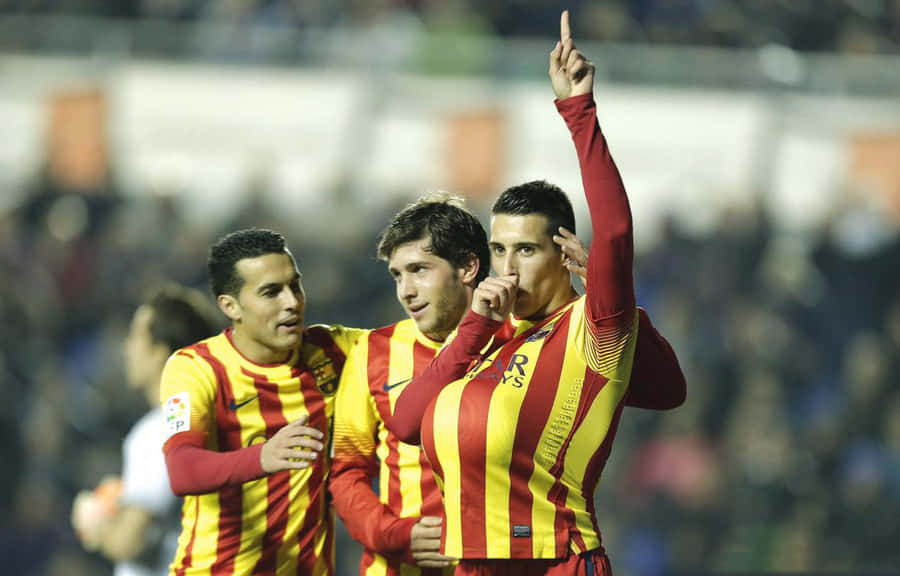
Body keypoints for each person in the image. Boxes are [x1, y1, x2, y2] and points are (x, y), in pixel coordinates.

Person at [388, 11, 677, 574]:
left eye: (525, 250)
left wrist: (579, 109)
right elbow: (405, 424)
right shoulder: (485, 338)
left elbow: (615, 231)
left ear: (564, 252)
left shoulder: (593, 332)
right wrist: (472, 329)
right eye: (499, 250)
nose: (508, 267)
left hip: (555, 561)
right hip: (472, 565)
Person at [334, 192, 683, 573]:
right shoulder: (372, 353)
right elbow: (346, 470)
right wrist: (391, 532)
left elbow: (659, 389)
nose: (406, 290)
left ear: (469, 268)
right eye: (397, 275)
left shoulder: (529, 341)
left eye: (420, 270)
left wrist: (609, 302)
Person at [159, 228, 365, 575]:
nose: (292, 302)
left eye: (295, 285)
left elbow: (412, 346)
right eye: (271, 292)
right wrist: (263, 457)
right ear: (231, 306)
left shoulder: (331, 351)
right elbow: (182, 470)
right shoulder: (194, 369)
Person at [72, 285, 219, 576]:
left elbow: (130, 540)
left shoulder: (160, 430)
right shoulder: (217, 420)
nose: (127, 348)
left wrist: (96, 522)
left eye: (136, 336)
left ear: (159, 353)